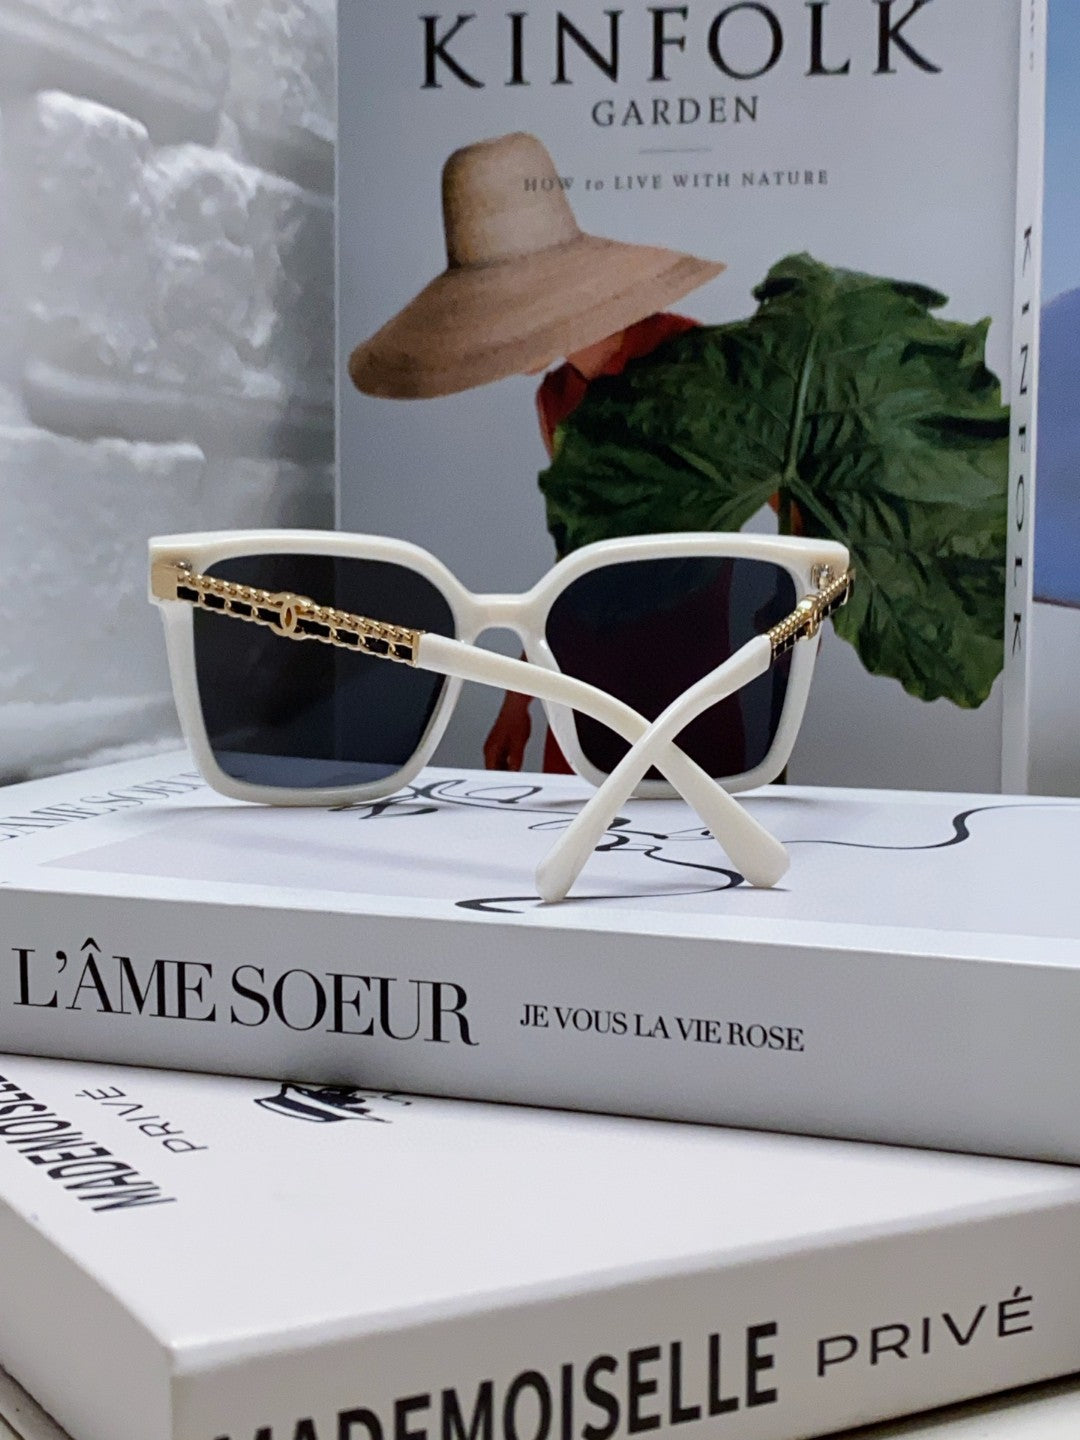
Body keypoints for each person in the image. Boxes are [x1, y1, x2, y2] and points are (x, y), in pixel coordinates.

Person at [348, 131, 724, 770]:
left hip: (700, 661)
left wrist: (784, 657)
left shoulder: (696, 362)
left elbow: (792, 514)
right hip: (585, 667)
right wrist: (518, 700)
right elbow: (577, 553)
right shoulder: (557, 397)